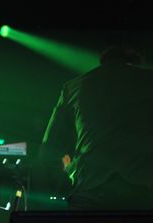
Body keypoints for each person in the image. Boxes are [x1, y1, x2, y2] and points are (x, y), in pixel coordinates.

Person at [40, 45, 153, 210]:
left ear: (102, 56)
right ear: (138, 56)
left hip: (90, 192)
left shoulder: (73, 87)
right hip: (142, 192)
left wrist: (68, 178)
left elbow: (47, 152)